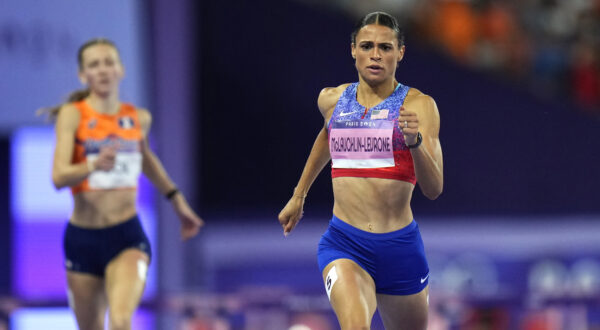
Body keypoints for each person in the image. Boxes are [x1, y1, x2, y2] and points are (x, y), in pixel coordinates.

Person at [278, 12, 443, 330]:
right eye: (367, 46)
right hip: (344, 242)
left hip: (400, 248)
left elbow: (434, 188)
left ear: (400, 52)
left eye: (385, 47)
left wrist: (416, 142)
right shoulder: (332, 99)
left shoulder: (420, 106)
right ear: (353, 49)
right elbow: (328, 136)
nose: (376, 55)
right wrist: (299, 195)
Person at [45, 38, 203, 330]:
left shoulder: (138, 118)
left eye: (109, 62)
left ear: (121, 69)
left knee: (120, 321)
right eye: (94, 64)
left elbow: (146, 158)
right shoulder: (73, 115)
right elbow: (58, 177)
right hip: (83, 239)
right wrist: (93, 164)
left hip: (126, 237)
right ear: (84, 75)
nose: (103, 70)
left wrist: (178, 203)